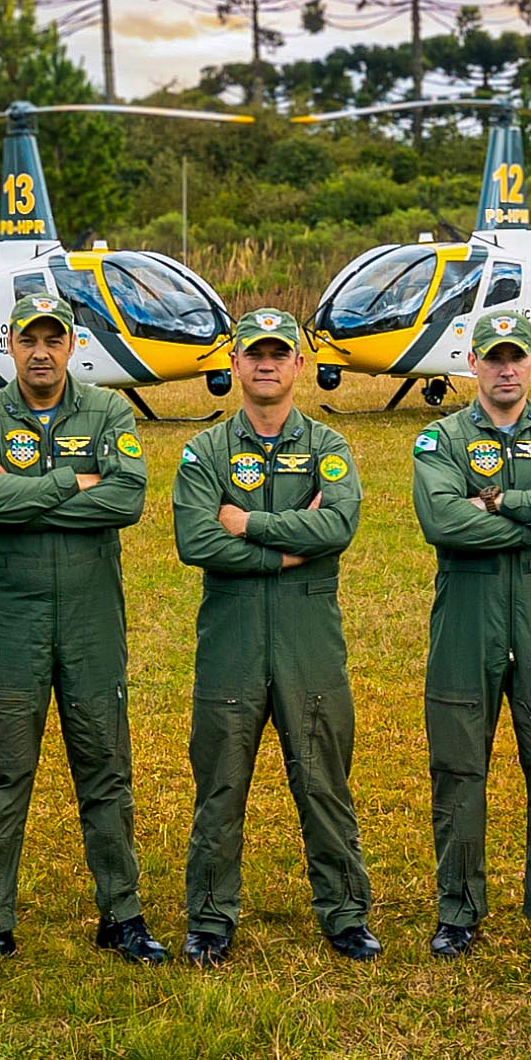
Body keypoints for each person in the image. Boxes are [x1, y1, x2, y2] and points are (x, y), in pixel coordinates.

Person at [0, 294, 165, 974]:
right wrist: (75, 481)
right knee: (4, 768)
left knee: (104, 762)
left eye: (54, 338)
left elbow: (127, 497)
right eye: (29, 339)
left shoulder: (107, 410)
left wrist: (25, 489)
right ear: (10, 344)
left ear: (73, 345)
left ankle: (121, 914)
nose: (41, 351)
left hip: (91, 616)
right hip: (11, 616)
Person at [170, 307, 378, 968]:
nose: (265, 363)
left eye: (278, 353)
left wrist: (250, 525)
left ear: (299, 365)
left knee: (323, 780)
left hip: (307, 633)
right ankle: (209, 919)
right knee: (221, 783)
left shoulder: (328, 447)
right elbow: (196, 539)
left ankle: (345, 914)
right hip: (230, 632)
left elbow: (339, 526)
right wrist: (291, 542)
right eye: (252, 353)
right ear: (233, 366)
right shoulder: (205, 450)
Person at [408, 307, 531, 961]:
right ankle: (458, 910)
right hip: (468, 609)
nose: (504, 368)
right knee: (460, 763)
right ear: (472, 363)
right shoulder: (441, 440)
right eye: (492, 357)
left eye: (515, 356)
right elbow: (442, 522)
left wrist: (497, 502)